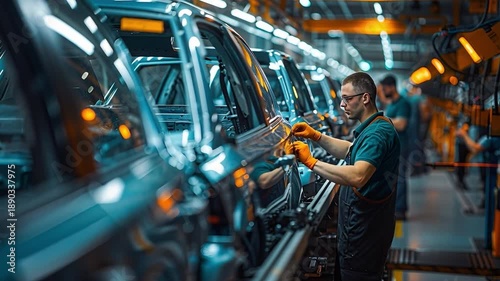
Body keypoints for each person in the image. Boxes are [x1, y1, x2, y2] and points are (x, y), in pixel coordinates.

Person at [289, 72, 400, 281]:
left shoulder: (377, 133)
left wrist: (312, 163)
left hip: (364, 237)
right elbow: (351, 149)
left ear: (365, 98)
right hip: (361, 233)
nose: (342, 104)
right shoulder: (374, 127)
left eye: (347, 99)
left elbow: (357, 175)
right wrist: (316, 136)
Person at [379, 75, 411, 220]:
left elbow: (402, 123)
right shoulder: (391, 103)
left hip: (402, 145)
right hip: (392, 147)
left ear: (392, 86)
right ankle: (394, 207)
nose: (383, 91)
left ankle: (401, 210)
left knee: (400, 177)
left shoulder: (403, 103)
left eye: (384, 88)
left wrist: (382, 120)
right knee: (392, 177)